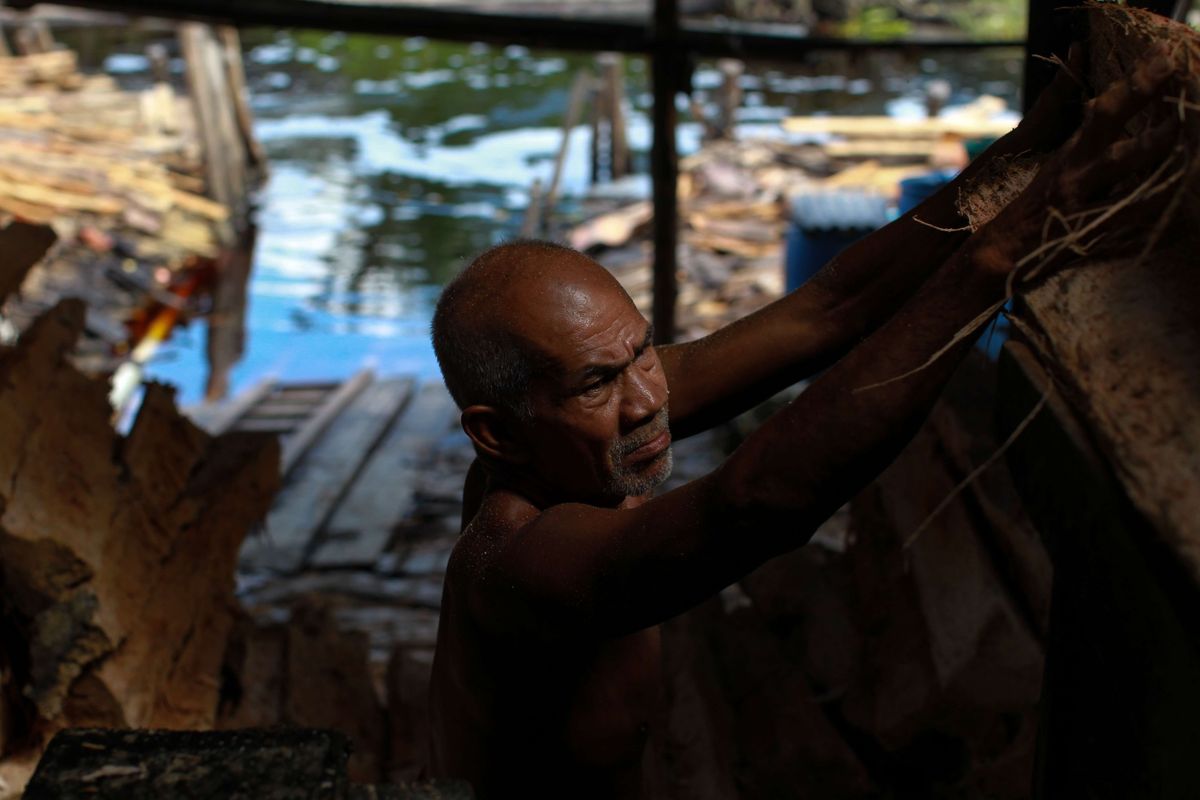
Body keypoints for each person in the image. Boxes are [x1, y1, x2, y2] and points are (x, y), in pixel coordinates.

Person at [426, 52, 1176, 799]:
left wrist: (1024, 149)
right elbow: (759, 498)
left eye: (645, 349)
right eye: (596, 382)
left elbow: (831, 307)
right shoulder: (521, 561)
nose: (648, 399)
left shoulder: (589, 422)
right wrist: (995, 262)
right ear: (495, 434)